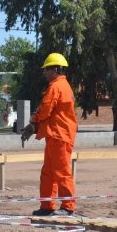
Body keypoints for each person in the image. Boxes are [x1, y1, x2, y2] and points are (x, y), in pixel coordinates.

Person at [21, 52, 77, 216]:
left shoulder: (56, 86)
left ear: (55, 69)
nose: (44, 73)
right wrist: (36, 126)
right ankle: (47, 206)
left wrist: (33, 123)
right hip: (56, 135)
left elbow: (45, 109)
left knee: (61, 172)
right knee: (48, 173)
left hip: (60, 135)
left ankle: (68, 206)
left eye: (46, 69)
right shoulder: (64, 86)